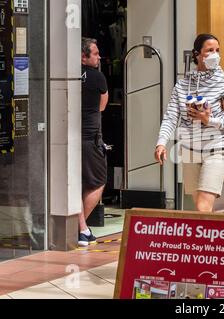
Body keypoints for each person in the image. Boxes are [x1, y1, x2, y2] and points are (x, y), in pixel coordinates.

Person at [155, 34, 224, 212]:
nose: (215, 55)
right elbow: (171, 116)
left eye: (217, 50)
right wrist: (161, 142)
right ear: (197, 55)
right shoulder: (182, 85)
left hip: (217, 148)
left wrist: (208, 120)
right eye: (209, 50)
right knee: (200, 207)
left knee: (203, 206)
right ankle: (212, 239)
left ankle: (206, 239)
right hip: (190, 150)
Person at [79, 38, 109, 247]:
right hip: (89, 138)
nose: (99, 57)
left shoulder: (68, 76)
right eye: (96, 53)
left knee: (76, 184)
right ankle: (79, 228)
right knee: (98, 181)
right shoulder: (97, 77)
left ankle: (82, 229)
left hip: (69, 137)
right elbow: (102, 106)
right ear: (84, 56)